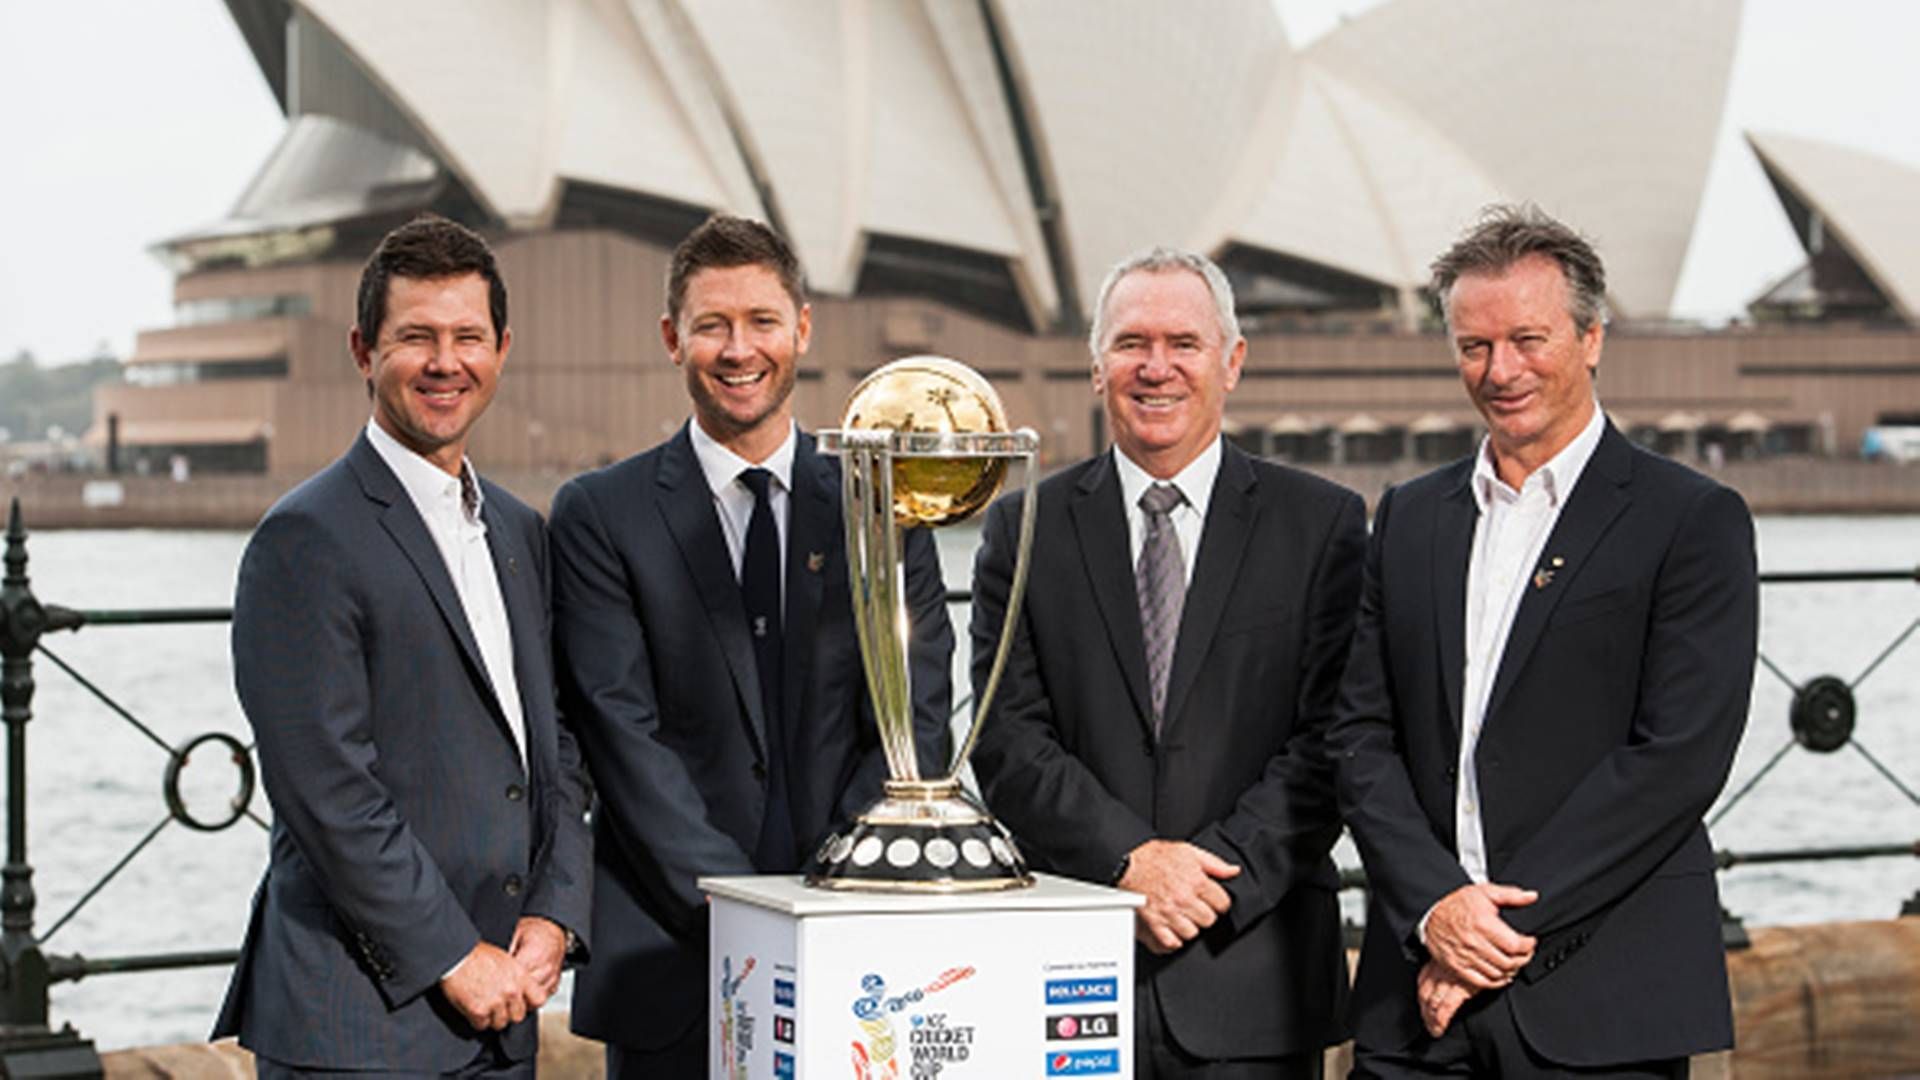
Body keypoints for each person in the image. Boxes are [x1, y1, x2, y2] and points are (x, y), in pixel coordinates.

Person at [1329, 204, 1758, 1078]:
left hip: (1601, 995)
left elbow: (1677, 757)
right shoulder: (1410, 518)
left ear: (1593, 338)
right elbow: (1359, 737)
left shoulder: (1691, 519)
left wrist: (1493, 931)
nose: (1501, 370)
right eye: (1475, 346)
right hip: (1416, 996)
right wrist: (1437, 909)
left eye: (1530, 339)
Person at [551, 214, 954, 1077]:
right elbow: (619, 736)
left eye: (762, 322)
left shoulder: (884, 504)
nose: (740, 349)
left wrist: (825, 898)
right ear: (672, 339)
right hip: (671, 957)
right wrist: (745, 917)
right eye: (712, 325)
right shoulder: (600, 515)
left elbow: (914, 717)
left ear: (803, 327)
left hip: (856, 952)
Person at [969, 247, 1365, 1078]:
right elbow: (1007, 737)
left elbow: (1334, 737)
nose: (1156, 369)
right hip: (1068, 975)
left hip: (1255, 974)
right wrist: (1129, 861)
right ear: (1095, 366)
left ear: (1233, 361)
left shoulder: (1321, 525)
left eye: (1183, 343)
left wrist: (1208, 883)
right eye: (1130, 344)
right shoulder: (1023, 528)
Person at [214, 214, 592, 1075]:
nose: (444, 362)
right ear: (363, 351)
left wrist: (554, 914)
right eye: (415, 337)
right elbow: (326, 789)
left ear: (502, 347)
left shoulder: (518, 531)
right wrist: (454, 956)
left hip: (504, 1010)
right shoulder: (304, 538)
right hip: (359, 1023)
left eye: (467, 337)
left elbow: (558, 745)